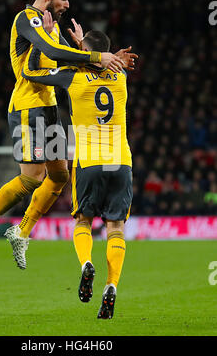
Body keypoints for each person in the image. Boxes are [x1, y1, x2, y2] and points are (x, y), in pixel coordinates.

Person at [0, 0, 126, 267]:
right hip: (28, 107)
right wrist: (98, 57)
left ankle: (21, 232)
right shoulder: (27, 18)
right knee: (31, 177)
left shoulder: (51, 26)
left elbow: (67, 58)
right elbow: (52, 52)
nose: (67, 4)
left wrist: (84, 49)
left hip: (48, 107)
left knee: (60, 176)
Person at [21, 29, 137, 319]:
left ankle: (86, 263)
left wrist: (45, 36)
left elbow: (31, 71)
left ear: (87, 52)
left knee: (83, 220)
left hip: (89, 160)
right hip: (120, 160)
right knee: (116, 228)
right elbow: (97, 62)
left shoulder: (72, 76)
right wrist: (93, 52)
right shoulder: (121, 76)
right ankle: (112, 285)